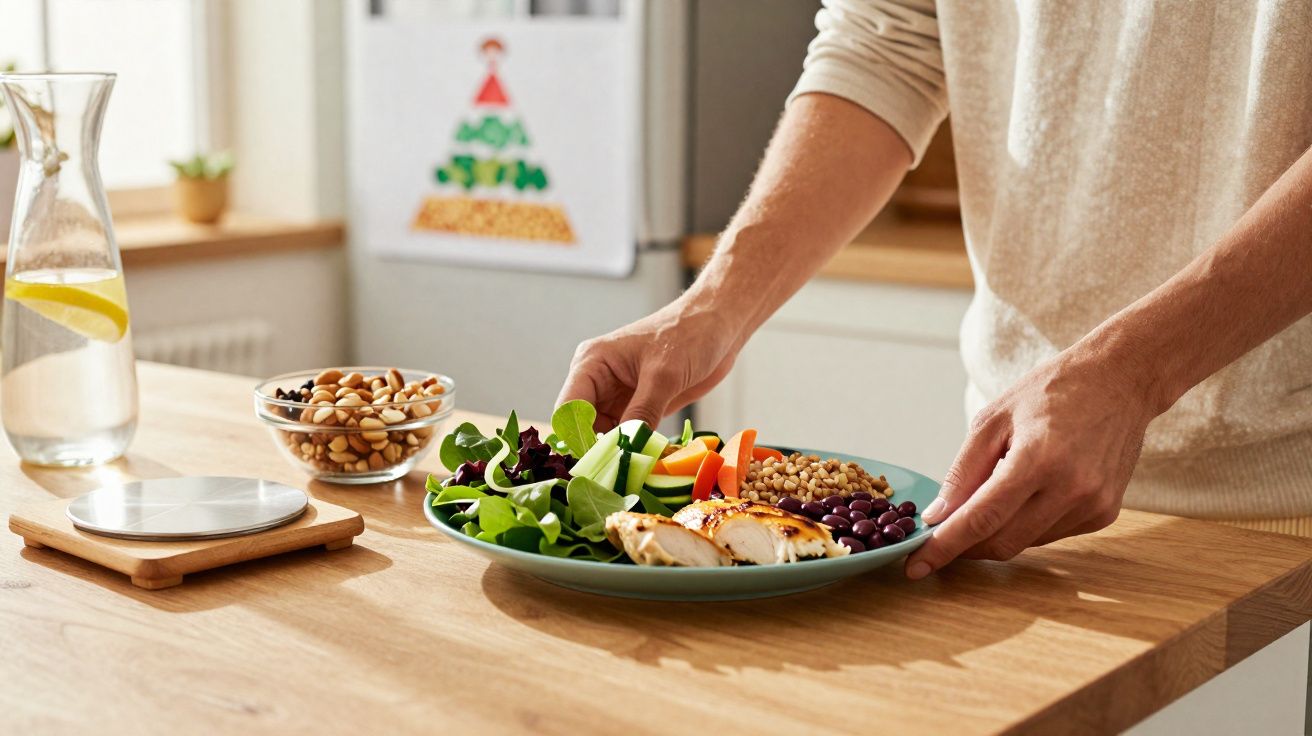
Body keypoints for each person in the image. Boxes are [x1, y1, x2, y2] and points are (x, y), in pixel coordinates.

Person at [557, 1, 1312, 579]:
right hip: (1010, 498)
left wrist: (1135, 369)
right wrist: (711, 307)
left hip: (1280, 514)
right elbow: (888, 41)